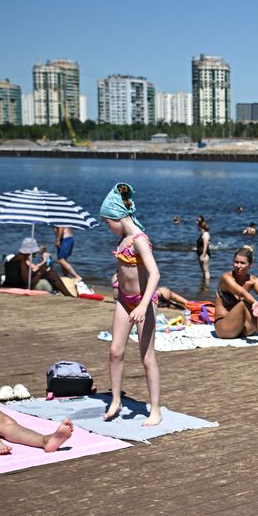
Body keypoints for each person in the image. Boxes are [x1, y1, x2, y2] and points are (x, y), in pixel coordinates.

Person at [100, 182, 162, 426]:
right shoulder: (124, 238)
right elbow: (129, 269)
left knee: (146, 357)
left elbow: (154, 275)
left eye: (108, 223)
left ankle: (155, 409)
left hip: (143, 302)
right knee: (115, 350)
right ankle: (115, 399)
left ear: (117, 217)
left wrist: (142, 306)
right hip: (124, 300)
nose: (108, 228)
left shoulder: (139, 240)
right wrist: (119, 277)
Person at [196, 216, 211, 286]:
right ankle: (204, 284)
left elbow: (205, 245)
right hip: (200, 254)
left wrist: (203, 255)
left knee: (206, 270)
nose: (198, 227)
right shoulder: (202, 234)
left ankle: (206, 285)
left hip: (204, 255)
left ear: (201, 227)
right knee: (203, 271)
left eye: (199, 226)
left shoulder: (206, 234)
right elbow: (201, 245)